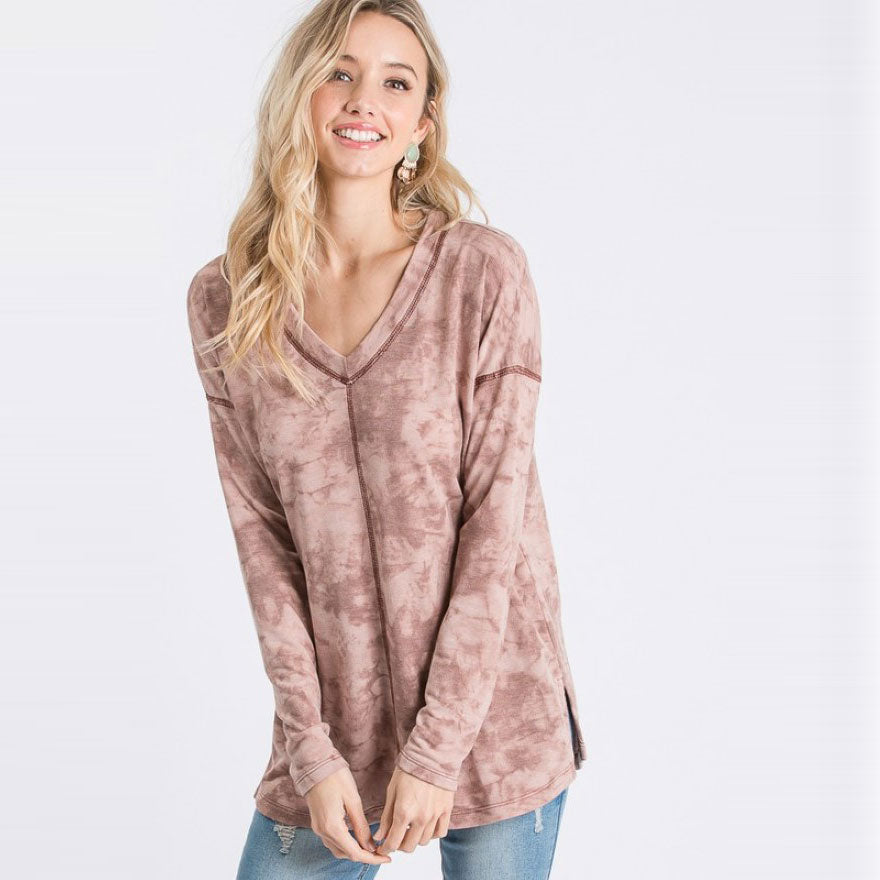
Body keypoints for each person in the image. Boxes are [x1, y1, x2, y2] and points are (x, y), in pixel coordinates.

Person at [185, 1, 587, 877]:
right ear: (299, 93)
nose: (364, 99)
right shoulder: (226, 300)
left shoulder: (481, 273)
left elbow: (495, 526)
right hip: (335, 737)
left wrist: (436, 752)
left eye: (396, 83)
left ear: (422, 122)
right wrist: (309, 749)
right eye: (339, 72)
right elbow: (264, 546)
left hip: (496, 723)